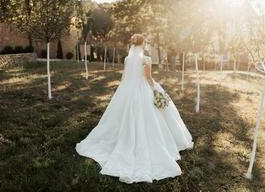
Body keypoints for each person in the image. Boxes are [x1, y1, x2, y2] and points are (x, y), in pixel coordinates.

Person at [75, 34, 194, 184]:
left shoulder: (127, 59)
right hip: (142, 88)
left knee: (121, 115)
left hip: (127, 89)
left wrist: (124, 90)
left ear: (132, 45)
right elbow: (148, 77)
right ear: (143, 44)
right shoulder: (146, 59)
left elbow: (125, 77)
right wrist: (156, 90)